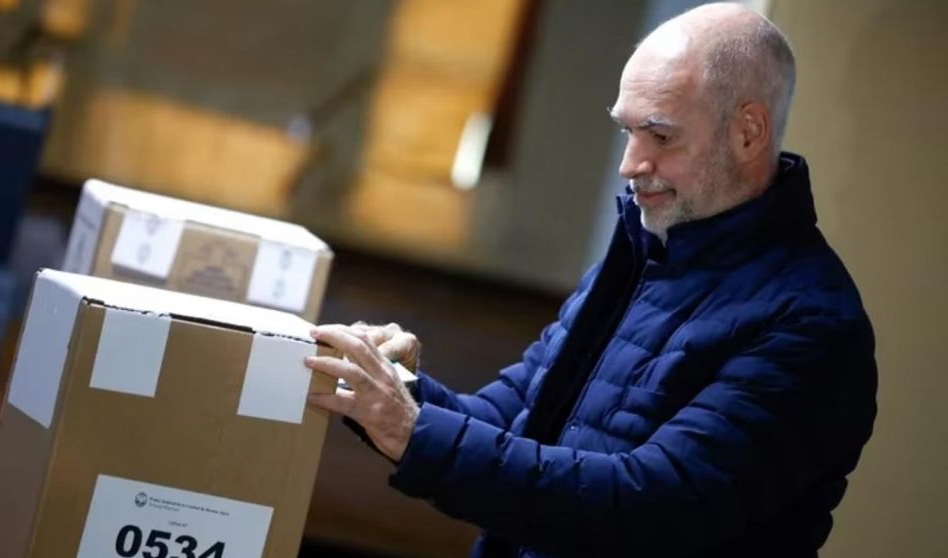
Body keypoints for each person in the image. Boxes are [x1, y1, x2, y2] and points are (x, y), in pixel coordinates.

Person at [305, 3, 878, 557]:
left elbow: (642, 506)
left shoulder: (813, 324)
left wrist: (412, 429)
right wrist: (389, 387)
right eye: (627, 132)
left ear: (749, 132)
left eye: (660, 136)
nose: (630, 164)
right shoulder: (642, 255)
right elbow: (513, 421)